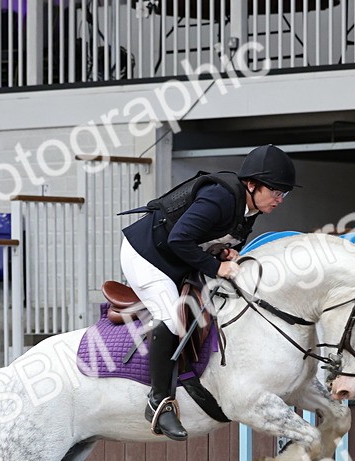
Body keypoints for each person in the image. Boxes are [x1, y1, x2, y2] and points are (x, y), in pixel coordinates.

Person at [119, 144, 299, 440]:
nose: (279, 199)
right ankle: (159, 403)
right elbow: (179, 239)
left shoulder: (249, 208)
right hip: (146, 255)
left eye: (284, 194)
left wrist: (224, 252)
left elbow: (209, 239)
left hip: (174, 258)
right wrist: (217, 269)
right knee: (172, 319)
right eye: (276, 191)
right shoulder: (221, 198)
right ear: (251, 185)